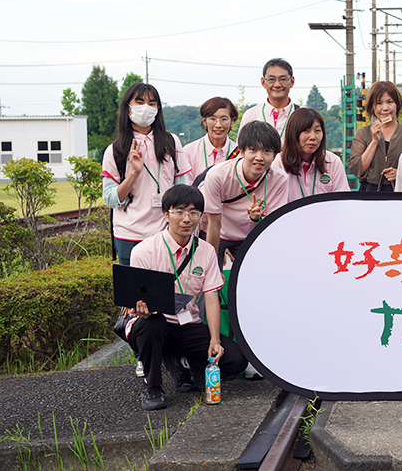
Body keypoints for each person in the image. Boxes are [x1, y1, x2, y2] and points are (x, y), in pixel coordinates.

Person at [126, 185, 248, 410]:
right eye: (179, 212)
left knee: (236, 360)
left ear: (200, 217)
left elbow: (211, 297)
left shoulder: (206, 251)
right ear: (166, 215)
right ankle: (152, 386)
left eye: (193, 212)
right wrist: (142, 309)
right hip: (154, 324)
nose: (187, 219)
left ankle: (181, 363)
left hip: (187, 325)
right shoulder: (144, 251)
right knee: (152, 325)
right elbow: (137, 299)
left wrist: (215, 340)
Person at [101, 83, 192, 266]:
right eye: (140, 102)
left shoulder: (171, 142)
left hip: (165, 233)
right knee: (134, 285)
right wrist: (133, 173)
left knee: (166, 283)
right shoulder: (115, 150)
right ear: (128, 107)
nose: (146, 108)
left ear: (158, 109)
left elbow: (184, 188)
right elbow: (110, 199)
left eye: (152, 103)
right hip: (128, 235)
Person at [202, 121, 288, 268]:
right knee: (211, 276)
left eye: (267, 151)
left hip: (250, 237)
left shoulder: (279, 179)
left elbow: (271, 227)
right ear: (241, 152)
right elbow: (214, 223)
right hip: (218, 234)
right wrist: (212, 268)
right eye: (253, 150)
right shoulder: (217, 175)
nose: (259, 157)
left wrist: (255, 219)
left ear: (275, 156)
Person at [348, 81, 402, 192]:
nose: (385, 108)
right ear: (372, 107)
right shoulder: (363, 133)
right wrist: (374, 141)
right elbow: (357, 169)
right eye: (379, 103)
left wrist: (400, 173)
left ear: (397, 104)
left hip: (400, 191)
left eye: (390, 102)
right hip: (370, 192)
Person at [272, 107, 350, 200]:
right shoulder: (279, 162)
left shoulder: (333, 162)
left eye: (317, 131)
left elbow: (342, 200)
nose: (312, 137)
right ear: (293, 133)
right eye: (306, 130)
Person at [238, 58, 299, 140]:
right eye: (271, 79)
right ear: (263, 82)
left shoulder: (301, 115)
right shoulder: (251, 115)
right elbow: (242, 146)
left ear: (292, 82)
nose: (277, 84)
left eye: (283, 79)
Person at [183, 97, 239, 182]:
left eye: (224, 119)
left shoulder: (239, 154)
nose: (218, 125)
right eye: (213, 119)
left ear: (232, 121)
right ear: (204, 121)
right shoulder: (189, 152)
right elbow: (186, 185)